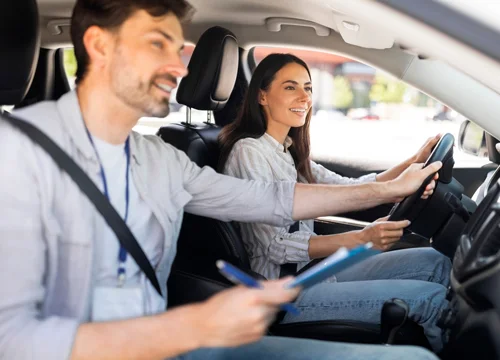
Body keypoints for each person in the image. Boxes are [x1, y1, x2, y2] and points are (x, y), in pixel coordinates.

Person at [0, 1, 443, 359]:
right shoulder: (20, 161)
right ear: (98, 46)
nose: (179, 69)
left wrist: (388, 188)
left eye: (178, 51)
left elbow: (268, 199)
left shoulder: (160, 158)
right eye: (159, 46)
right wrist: (191, 324)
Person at [219, 53, 451, 350]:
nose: (304, 97)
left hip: (313, 271)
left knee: (435, 261)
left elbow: (351, 187)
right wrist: (360, 239)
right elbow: (273, 245)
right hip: (284, 291)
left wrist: (414, 162)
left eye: (309, 88)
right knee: (429, 299)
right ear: (262, 96)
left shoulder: (286, 149)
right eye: (291, 87)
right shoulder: (248, 152)